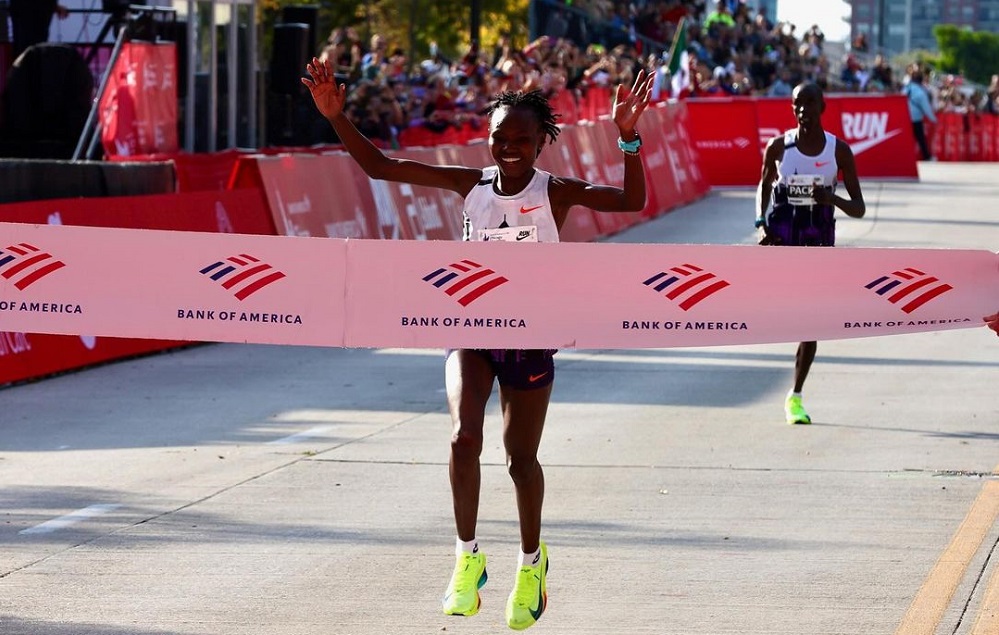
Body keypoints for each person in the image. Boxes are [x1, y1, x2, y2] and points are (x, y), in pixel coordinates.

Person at [303, 56, 654, 630]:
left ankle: (531, 564)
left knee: (520, 461)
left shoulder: (555, 192)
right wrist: (337, 118)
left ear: (543, 142)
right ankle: (467, 559)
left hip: (531, 337)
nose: (509, 146)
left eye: (521, 138)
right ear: (486, 140)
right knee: (465, 438)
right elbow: (381, 167)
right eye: (499, 137)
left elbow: (630, 202)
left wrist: (630, 138)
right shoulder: (471, 184)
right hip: (469, 329)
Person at [755, 82, 866, 425]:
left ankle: (796, 396)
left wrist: (829, 198)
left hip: (817, 240)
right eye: (797, 104)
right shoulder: (778, 147)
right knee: (780, 313)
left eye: (810, 103)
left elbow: (859, 208)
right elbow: (763, 183)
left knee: (811, 320)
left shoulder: (838, 151)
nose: (803, 109)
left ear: (823, 107)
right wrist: (762, 223)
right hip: (783, 238)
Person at [903, 69, 937, 161]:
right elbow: (926, 108)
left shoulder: (905, 89)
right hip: (916, 119)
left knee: (905, 140)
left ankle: (904, 157)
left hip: (904, 118)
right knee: (921, 139)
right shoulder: (921, 92)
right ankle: (927, 157)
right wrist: (934, 119)